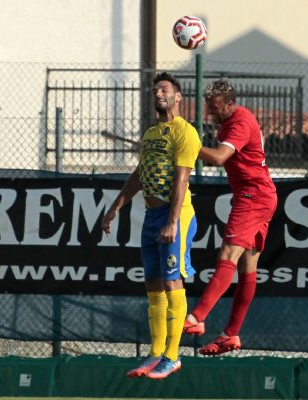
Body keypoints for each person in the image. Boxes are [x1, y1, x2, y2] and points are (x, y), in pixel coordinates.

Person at [101, 72, 201, 379]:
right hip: (152, 215)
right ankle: (156, 353)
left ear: (178, 97)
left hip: (177, 215)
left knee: (173, 283)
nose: (159, 93)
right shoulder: (150, 135)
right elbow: (139, 174)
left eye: (165, 89)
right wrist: (116, 206)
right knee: (154, 287)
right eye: (156, 89)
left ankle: (173, 356)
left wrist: (172, 221)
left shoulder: (185, 132)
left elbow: (182, 177)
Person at [182, 78, 277, 355]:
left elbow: (220, 157)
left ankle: (196, 318)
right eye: (209, 107)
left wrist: (186, 146)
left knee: (227, 256)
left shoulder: (239, 122)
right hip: (260, 196)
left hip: (252, 197)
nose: (211, 113)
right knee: (248, 270)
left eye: (215, 107)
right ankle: (230, 335)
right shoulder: (231, 120)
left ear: (230, 104)